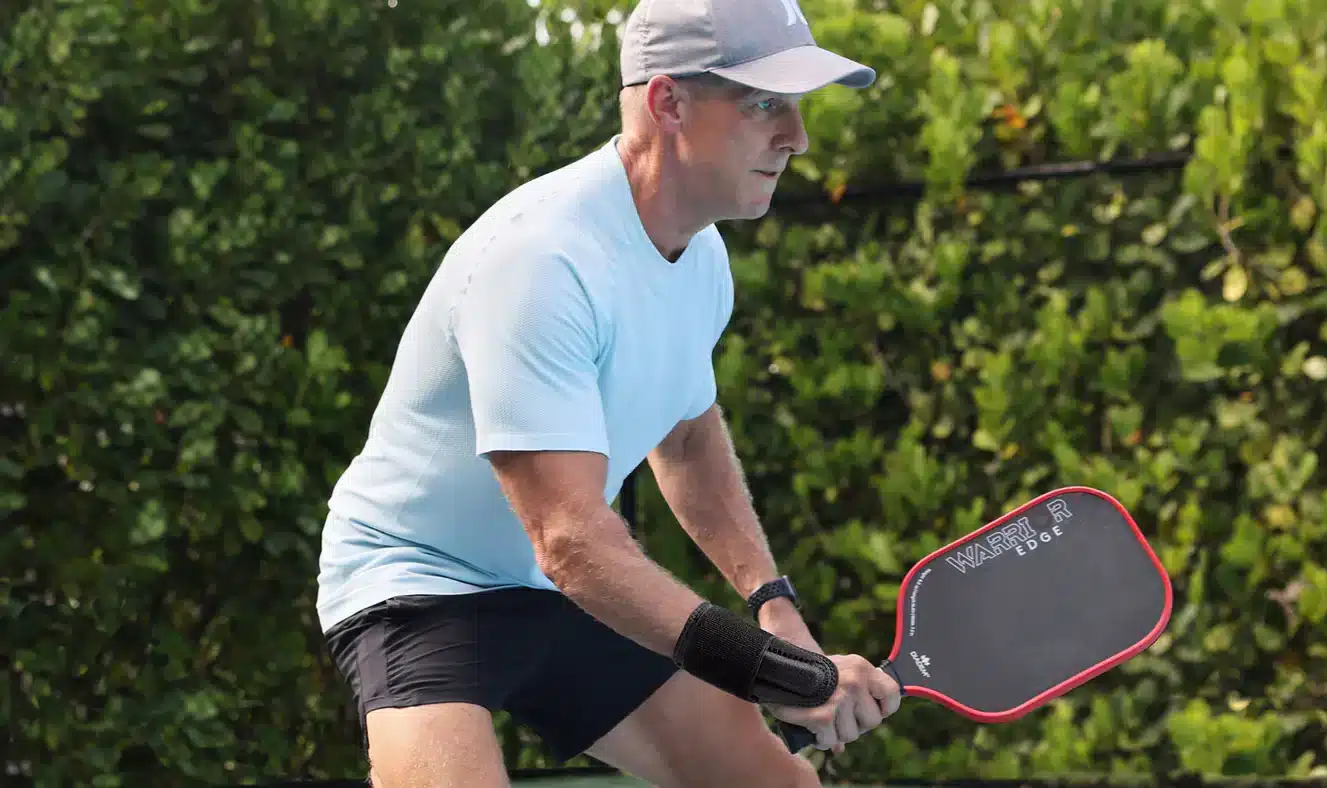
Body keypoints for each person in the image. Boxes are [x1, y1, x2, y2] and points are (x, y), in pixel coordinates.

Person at [315, 0, 900, 785]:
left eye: (797, 106)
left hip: (559, 590)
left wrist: (773, 604)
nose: (797, 136)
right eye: (765, 103)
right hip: (418, 584)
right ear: (667, 103)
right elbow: (572, 543)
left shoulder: (701, 259)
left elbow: (687, 436)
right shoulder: (541, 262)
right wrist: (776, 675)